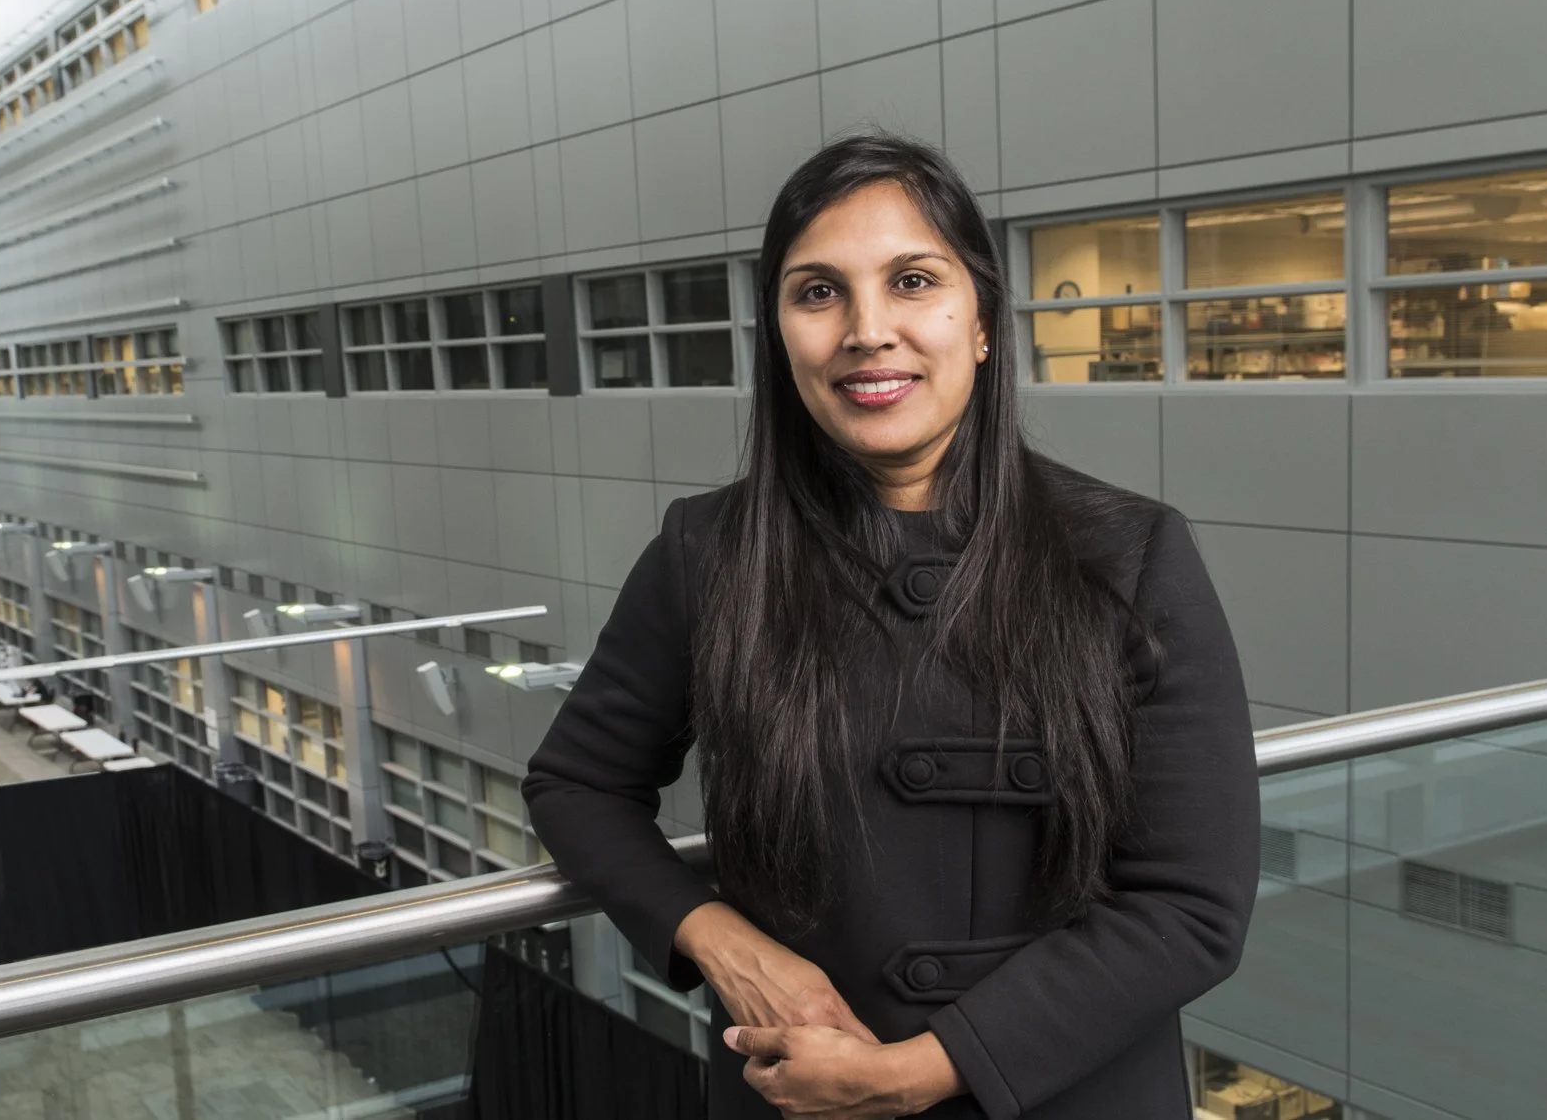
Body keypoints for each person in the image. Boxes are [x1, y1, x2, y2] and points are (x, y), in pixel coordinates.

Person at [522, 135, 1259, 1119]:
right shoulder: (710, 551)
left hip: (1075, 1094)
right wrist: (718, 939)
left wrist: (919, 1070)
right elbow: (579, 782)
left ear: (985, 319)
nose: (868, 330)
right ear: (781, 334)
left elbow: (1191, 906)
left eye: (913, 280)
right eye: (818, 292)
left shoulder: (1130, 555)